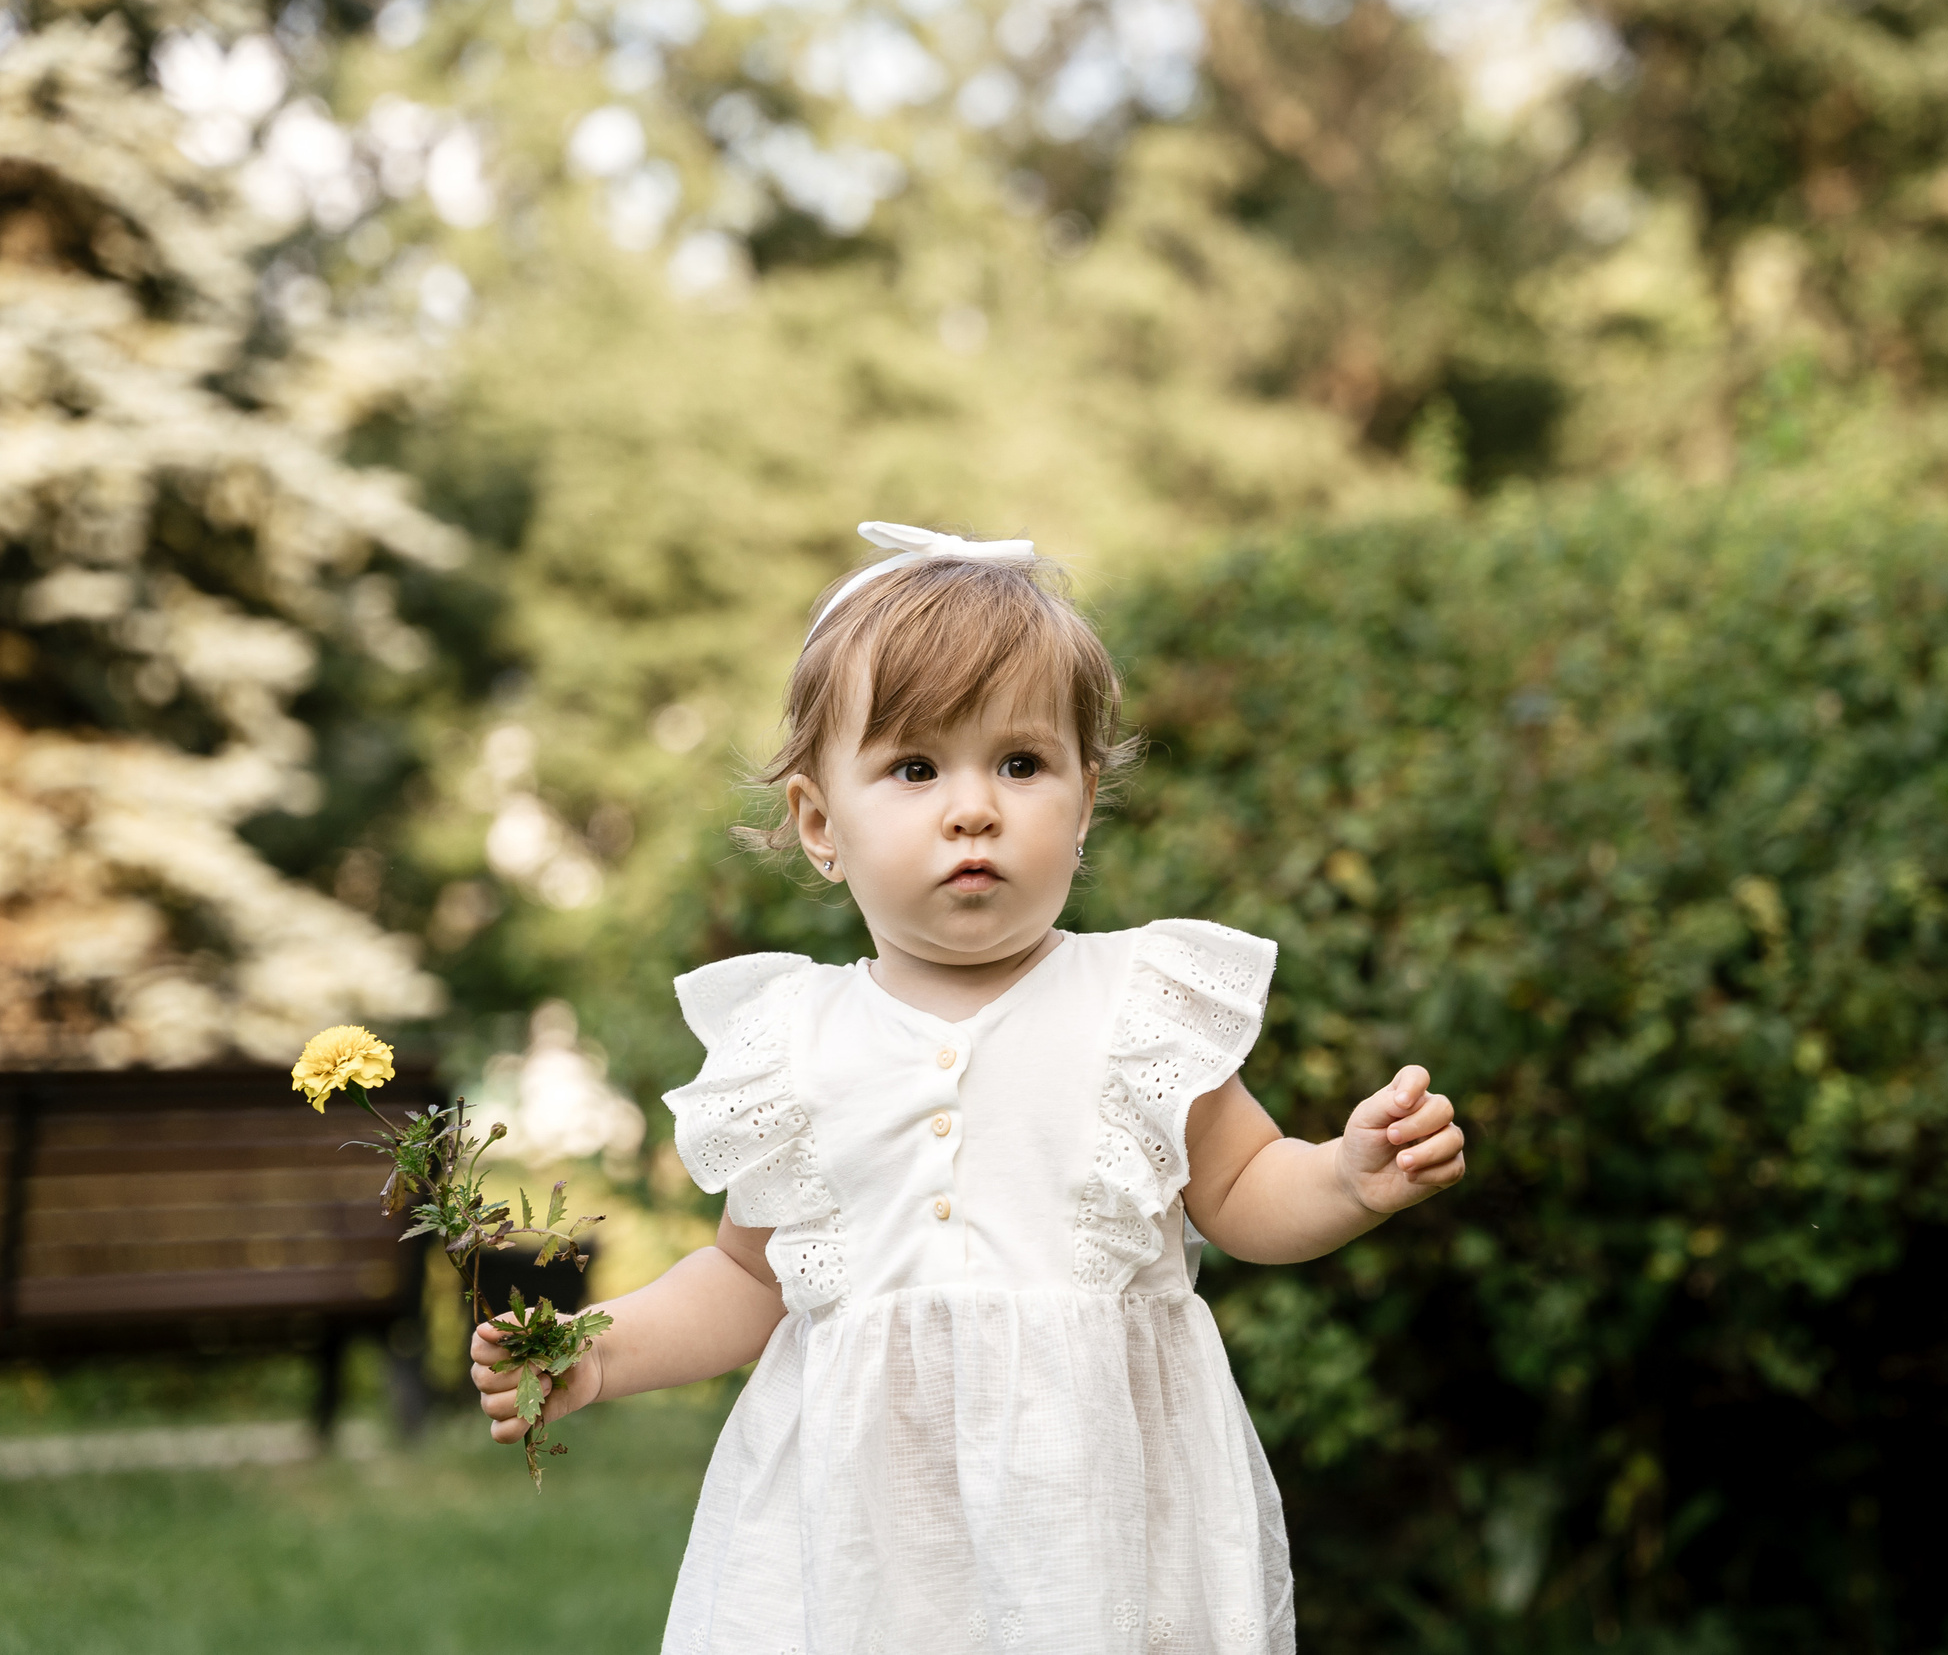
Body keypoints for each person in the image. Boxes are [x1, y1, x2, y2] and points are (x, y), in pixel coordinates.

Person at [469, 523, 1467, 1654]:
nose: (973, 807)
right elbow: (747, 1280)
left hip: (1094, 1529)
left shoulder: (1133, 1007)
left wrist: (1344, 1174)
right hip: (859, 1543)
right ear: (817, 824)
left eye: (1020, 764)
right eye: (913, 768)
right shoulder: (796, 1043)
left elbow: (1240, 1187)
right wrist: (597, 1352)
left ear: (1083, 805)